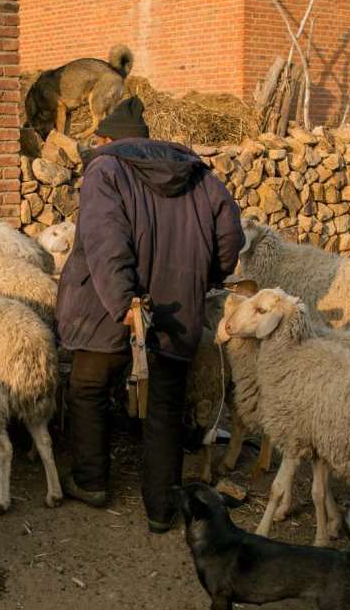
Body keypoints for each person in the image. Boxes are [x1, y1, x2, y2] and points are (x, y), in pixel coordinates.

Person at [55, 96, 243, 532]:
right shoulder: (199, 174)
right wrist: (205, 277)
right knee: (165, 402)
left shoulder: (105, 169)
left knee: (88, 386)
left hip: (111, 308)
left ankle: (92, 481)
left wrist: (123, 303)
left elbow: (106, 240)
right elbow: (230, 237)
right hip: (177, 308)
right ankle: (161, 509)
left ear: (106, 139)